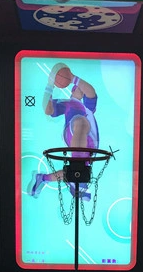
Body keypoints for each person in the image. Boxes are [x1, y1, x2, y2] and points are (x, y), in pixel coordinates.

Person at [29, 63, 99, 202]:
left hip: (89, 141)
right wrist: (50, 85)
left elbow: (90, 91)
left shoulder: (87, 106)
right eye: (78, 88)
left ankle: (42, 178)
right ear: (72, 91)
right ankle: (76, 181)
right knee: (80, 122)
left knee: (76, 171)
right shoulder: (67, 103)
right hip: (73, 131)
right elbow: (48, 109)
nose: (82, 89)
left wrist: (73, 77)